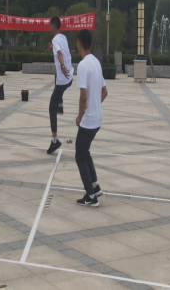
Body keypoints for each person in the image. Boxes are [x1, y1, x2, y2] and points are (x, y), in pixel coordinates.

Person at [74, 29, 107, 208]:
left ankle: (91, 195)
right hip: (97, 119)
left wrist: (80, 116)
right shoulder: (96, 62)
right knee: (85, 151)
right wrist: (95, 106)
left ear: (79, 43)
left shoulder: (83, 65)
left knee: (79, 155)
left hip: (88, 121)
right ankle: (95, 185)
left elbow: (83, 96)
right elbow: (104, 91)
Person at [47, 17, 73, 154]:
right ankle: (60, 103)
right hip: (70, 77)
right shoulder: (63, 38)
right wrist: (53, 48)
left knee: (51, 107)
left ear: (53, 26)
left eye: (50, 26)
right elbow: (59, 49)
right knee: (56, 76)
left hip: (63, 79)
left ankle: (54, 141)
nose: (49, 28)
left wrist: (62, 66)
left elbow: (59, 53)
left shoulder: (55, 39)